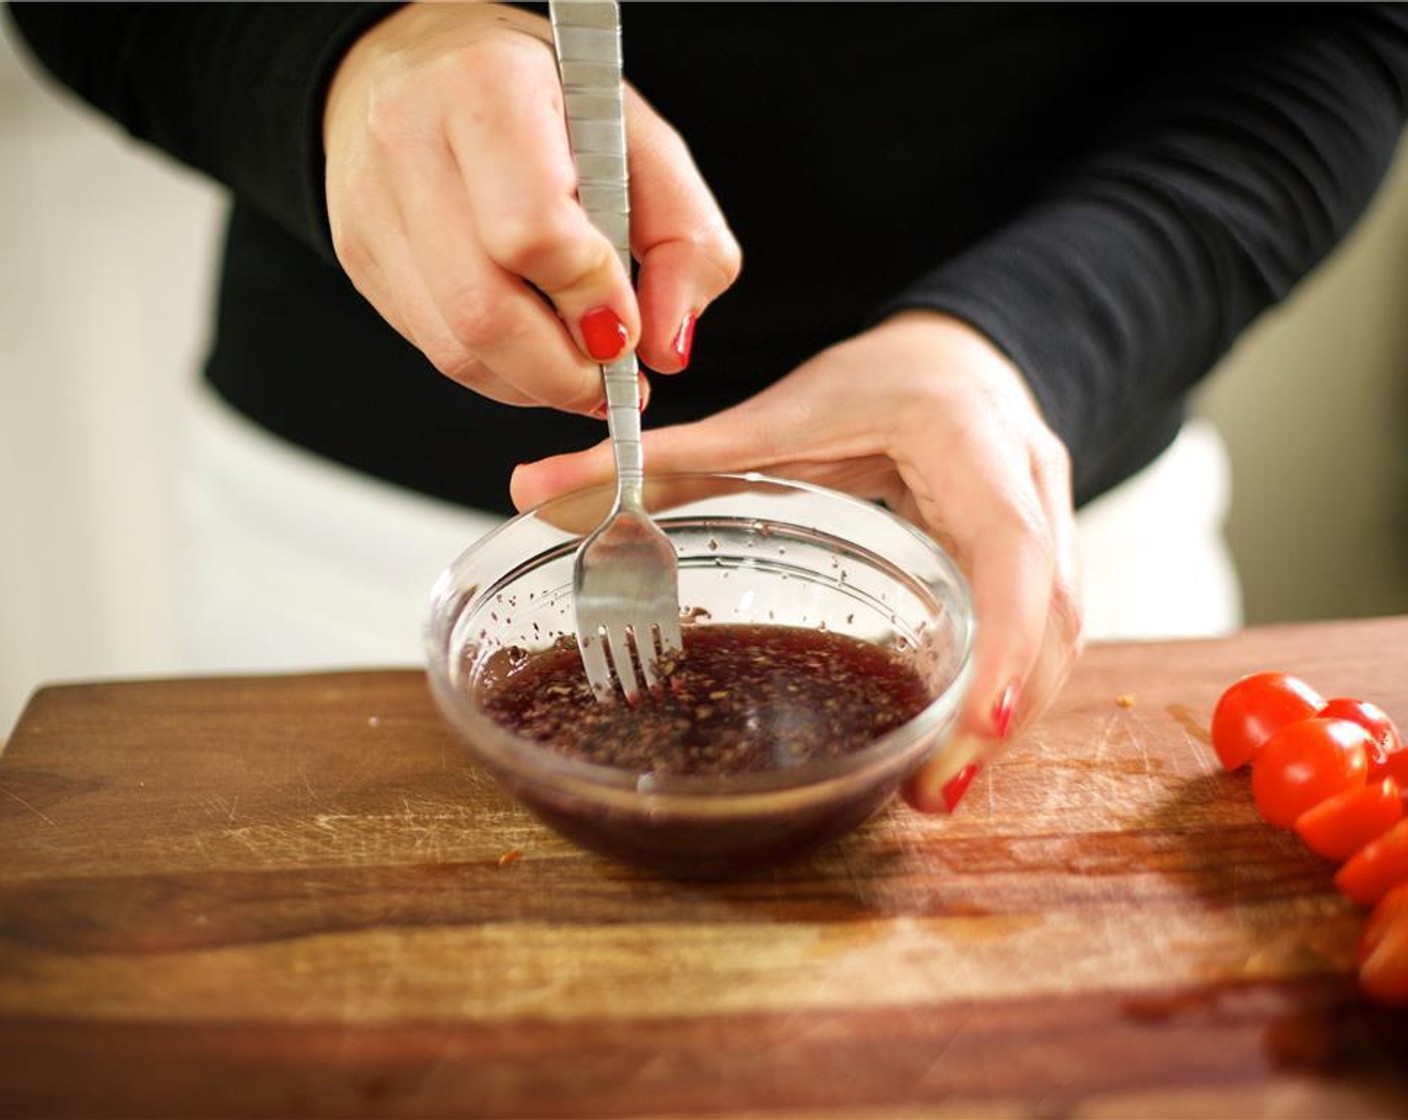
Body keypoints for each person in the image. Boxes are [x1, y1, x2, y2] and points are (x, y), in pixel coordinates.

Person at [8, 2, 1408, 813]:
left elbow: (1341, 25)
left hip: (1022, 511)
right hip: (352, 563)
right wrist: (337, 59)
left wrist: (1026, 345)